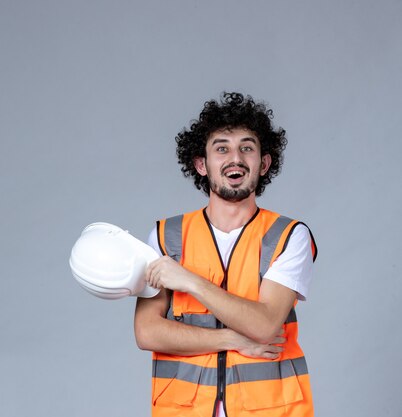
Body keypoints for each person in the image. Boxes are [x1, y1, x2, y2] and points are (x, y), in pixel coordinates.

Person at [134, 92, 317, 417]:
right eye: (222, 148)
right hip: (184, 410)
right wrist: (232, 339)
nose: (236, 157)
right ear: (201, 164)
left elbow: (263, 327)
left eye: (247, 147)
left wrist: (189, 281)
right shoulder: (165, 237)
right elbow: (147, 331)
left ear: (264, 163)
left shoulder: (288, 236)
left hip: (270, 410)